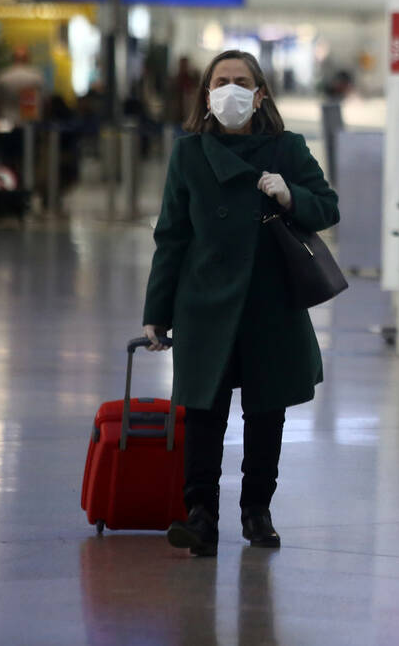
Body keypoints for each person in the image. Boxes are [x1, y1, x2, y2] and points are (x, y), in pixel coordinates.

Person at [141, 49, 338, 556]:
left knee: (266, 411)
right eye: (221, 81)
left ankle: (257, 513)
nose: (231, 89)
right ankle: (200, 515)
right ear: (207, 95)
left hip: (271, 300)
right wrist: (155, 314)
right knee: (203, 411)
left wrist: (290, 194)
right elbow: (172, 237)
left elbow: (328, 207)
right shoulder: (188, 155)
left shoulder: (287, 149)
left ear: (260, 93)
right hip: (205, 301)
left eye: (241, 81)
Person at [0, 46, 46, 171]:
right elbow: (43, 101)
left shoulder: (2, 77)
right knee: (27, 159)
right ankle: (25, 183)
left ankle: (8, 184)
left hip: (5, 123)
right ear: (27, 59)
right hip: (27, 124)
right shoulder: (35, 78)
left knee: (6, 158)